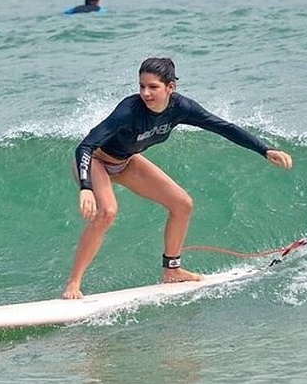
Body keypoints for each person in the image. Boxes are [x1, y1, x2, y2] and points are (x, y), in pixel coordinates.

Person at [63, 57, 293, 299]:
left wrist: (265, 150)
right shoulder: (129, 110)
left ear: (170, 87)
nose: (145, 93)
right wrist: (86, 187)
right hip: (97, 161)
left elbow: (223, 127)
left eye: (153, 87)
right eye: (142, 86)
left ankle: (172, 270)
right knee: (108, 211)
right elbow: (86, 146)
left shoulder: (182, 108)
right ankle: (73, 283)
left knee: (182, 204)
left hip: (126, 161)